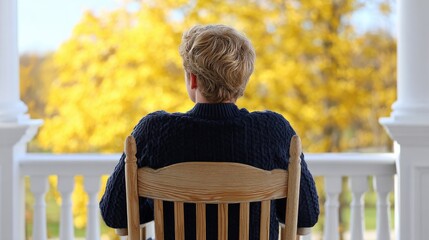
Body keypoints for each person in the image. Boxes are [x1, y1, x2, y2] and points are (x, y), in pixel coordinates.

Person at [100, 24, 319, 240]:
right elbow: (305, 218)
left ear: (193, 78)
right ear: (242, 80)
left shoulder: (153, 132)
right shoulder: (275, 132)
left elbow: (114, 214)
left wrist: (164, 200)